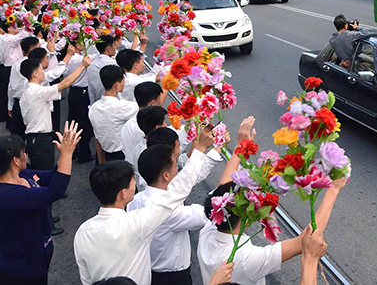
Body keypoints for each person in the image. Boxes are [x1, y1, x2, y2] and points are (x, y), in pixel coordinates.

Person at [73, 125, 215, 285]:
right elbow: (175, 194)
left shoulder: (82, 232)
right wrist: (201, 149)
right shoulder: (136, 224)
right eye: (132, 182)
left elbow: (86, 278)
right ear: (123, 193)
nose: (136, 182)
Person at [131, 117, 254, 285]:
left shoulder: (137, 199)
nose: (179, 167)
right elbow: (216, 208)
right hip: (172, 277)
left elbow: (188, 179)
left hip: (150, 268)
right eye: (175, 162)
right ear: (165, 175)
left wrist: (215, 148)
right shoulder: (172, 212)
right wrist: (236, 149)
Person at [198, 173, 345, 285]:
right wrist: (333, 190)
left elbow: (219, 192)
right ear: (246, 220)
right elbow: (307, 240)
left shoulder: (208, 229)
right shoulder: (246, 259)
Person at [0, 122, 82, 285]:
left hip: (36, 254)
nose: (26, 155)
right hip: (21, 266)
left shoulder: (24, 175)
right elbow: (54, 192)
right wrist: (67, 154)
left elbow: (52, 177)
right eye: (23, 152)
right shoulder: (8, 194)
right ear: (15, 160)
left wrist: (64, 154)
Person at [20, 55, 91, 170]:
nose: (44, 72)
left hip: (34, 138)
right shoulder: (37, 91)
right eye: (41, 69)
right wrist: (82, 66)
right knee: (44, 173)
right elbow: (64, 84)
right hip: (40, 139)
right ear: (35, 74)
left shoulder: (27, 92)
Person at [88, 66, 138, 162]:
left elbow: (97, 139)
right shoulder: (121, 106)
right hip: (121, 156)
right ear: (116, 85)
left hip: (105, 154)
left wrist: (101, 162)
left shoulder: (94, 108)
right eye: (123, 80)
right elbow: (145, 107)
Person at [86, 35, 121, 105]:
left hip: (95, 103)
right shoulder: (114, 65)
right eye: (114, 45)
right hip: (111, 103)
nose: (115, 47)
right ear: (108, 49)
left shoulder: (91, 64)